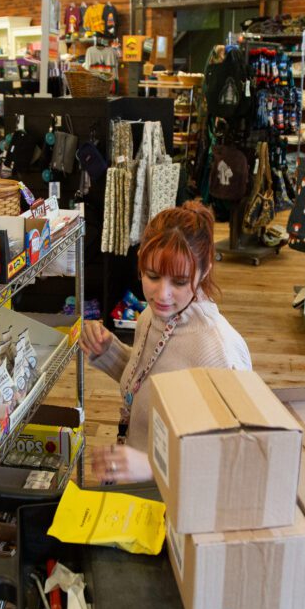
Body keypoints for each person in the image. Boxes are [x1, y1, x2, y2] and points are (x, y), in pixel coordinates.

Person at [79, 201, 251, 484]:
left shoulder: (219, 350)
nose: (163, 294)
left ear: (204, 270)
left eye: (180, 282)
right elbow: (155, 380)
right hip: (140, 487)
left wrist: (152, 466)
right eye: (153, 276)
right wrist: (110, 352)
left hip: (179, 504)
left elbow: (235, 455)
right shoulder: (151, 316)